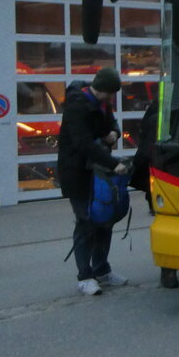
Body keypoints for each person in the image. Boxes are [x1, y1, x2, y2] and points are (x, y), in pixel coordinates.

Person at [56, 67, 130, 296]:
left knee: (104, 219)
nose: (113, 99)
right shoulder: (77, 105)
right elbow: (82, 143)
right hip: (77, 173)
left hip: (98, 172)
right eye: (112, 93)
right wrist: (112, 163)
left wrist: (114, 134)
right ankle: (85, 276)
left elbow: (113, 125)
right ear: (105, 90)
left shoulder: (102, 104)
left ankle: (101, 269)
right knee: (86, 221)